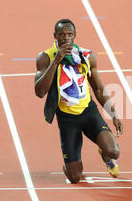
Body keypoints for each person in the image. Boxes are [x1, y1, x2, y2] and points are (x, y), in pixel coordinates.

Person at [34, 18, 123, 184]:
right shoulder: (46, 57)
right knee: (74, 178)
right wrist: (56, 61)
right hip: (67, 119)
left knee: (114, 152)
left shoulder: (86, 56)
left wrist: (114, 114)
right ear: (55, 36)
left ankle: (105, 154)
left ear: (75, 35)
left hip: (88, 113)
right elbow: (39, 92)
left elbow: (97, 88)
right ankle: (69, 165)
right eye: (61, 35)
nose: (66, 38)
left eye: (69, 34)